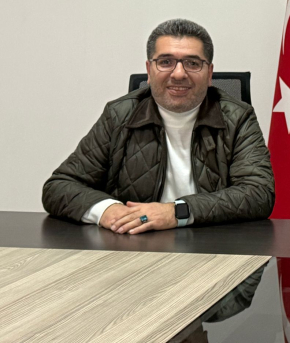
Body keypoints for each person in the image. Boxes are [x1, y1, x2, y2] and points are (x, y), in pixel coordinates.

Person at [42, 19, 274, 234]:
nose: (179, 73)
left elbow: (259, 193)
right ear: (149, 70)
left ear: (209, 73)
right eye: (165, 62)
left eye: (193, 63)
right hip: (133, 247)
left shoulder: (238, 117)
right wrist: (107, 210)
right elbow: (59, 187)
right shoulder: (119, 115)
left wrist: (176, 212)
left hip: (213, 245)